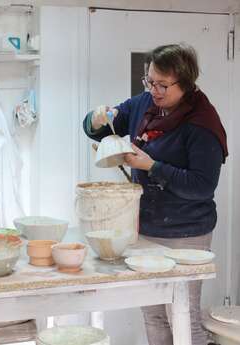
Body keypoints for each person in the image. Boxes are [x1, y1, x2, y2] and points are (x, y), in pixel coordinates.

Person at [83, 43, 228, 345]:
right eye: (149, 81)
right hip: (146, 228)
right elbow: (104, 127)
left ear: (186, 84)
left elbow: (202, 185)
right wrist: (96, 119)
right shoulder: (143, 104)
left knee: (183, 317)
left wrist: (152, 165)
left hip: (186, 233)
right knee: (153, 314)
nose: (154, 90)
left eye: (163, 85)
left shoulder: (202, 124)